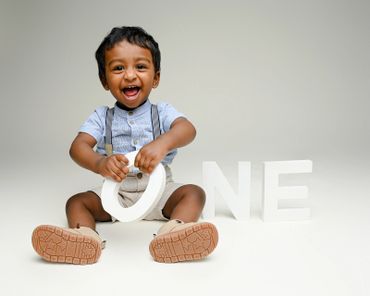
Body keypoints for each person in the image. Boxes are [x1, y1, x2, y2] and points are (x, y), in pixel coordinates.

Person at [31, 26, 218, 264]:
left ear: (156, 77)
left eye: (140, 67)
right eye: (118, 68)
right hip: (115, 194)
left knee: (194, 193)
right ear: (104, 80)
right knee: (76, 202)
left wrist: (162, 143)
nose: (129, 76)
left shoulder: (161, 112)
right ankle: (85, 238)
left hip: (160, 191)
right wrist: (100, 163)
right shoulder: (102, 117)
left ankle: (173, 233)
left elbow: (187, 129)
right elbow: (77, 147)